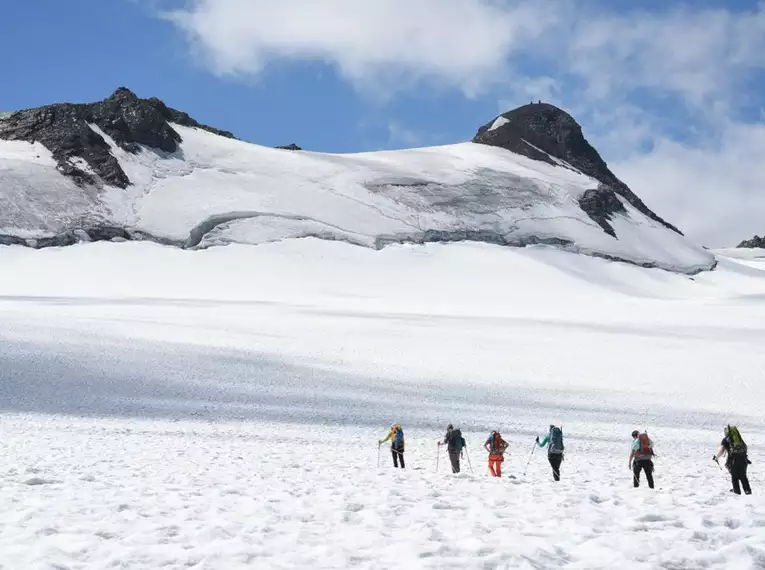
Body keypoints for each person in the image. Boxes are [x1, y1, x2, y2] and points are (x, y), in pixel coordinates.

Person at [714, 426, 752, 495]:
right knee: (743, 476)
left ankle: (737, 492)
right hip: (744, 459)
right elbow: (745, 447)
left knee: (734, 477)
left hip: (733, 460)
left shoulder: (725, 440)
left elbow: (722, 451)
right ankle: (747, 491)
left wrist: (716, 458)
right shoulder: (739, 439)